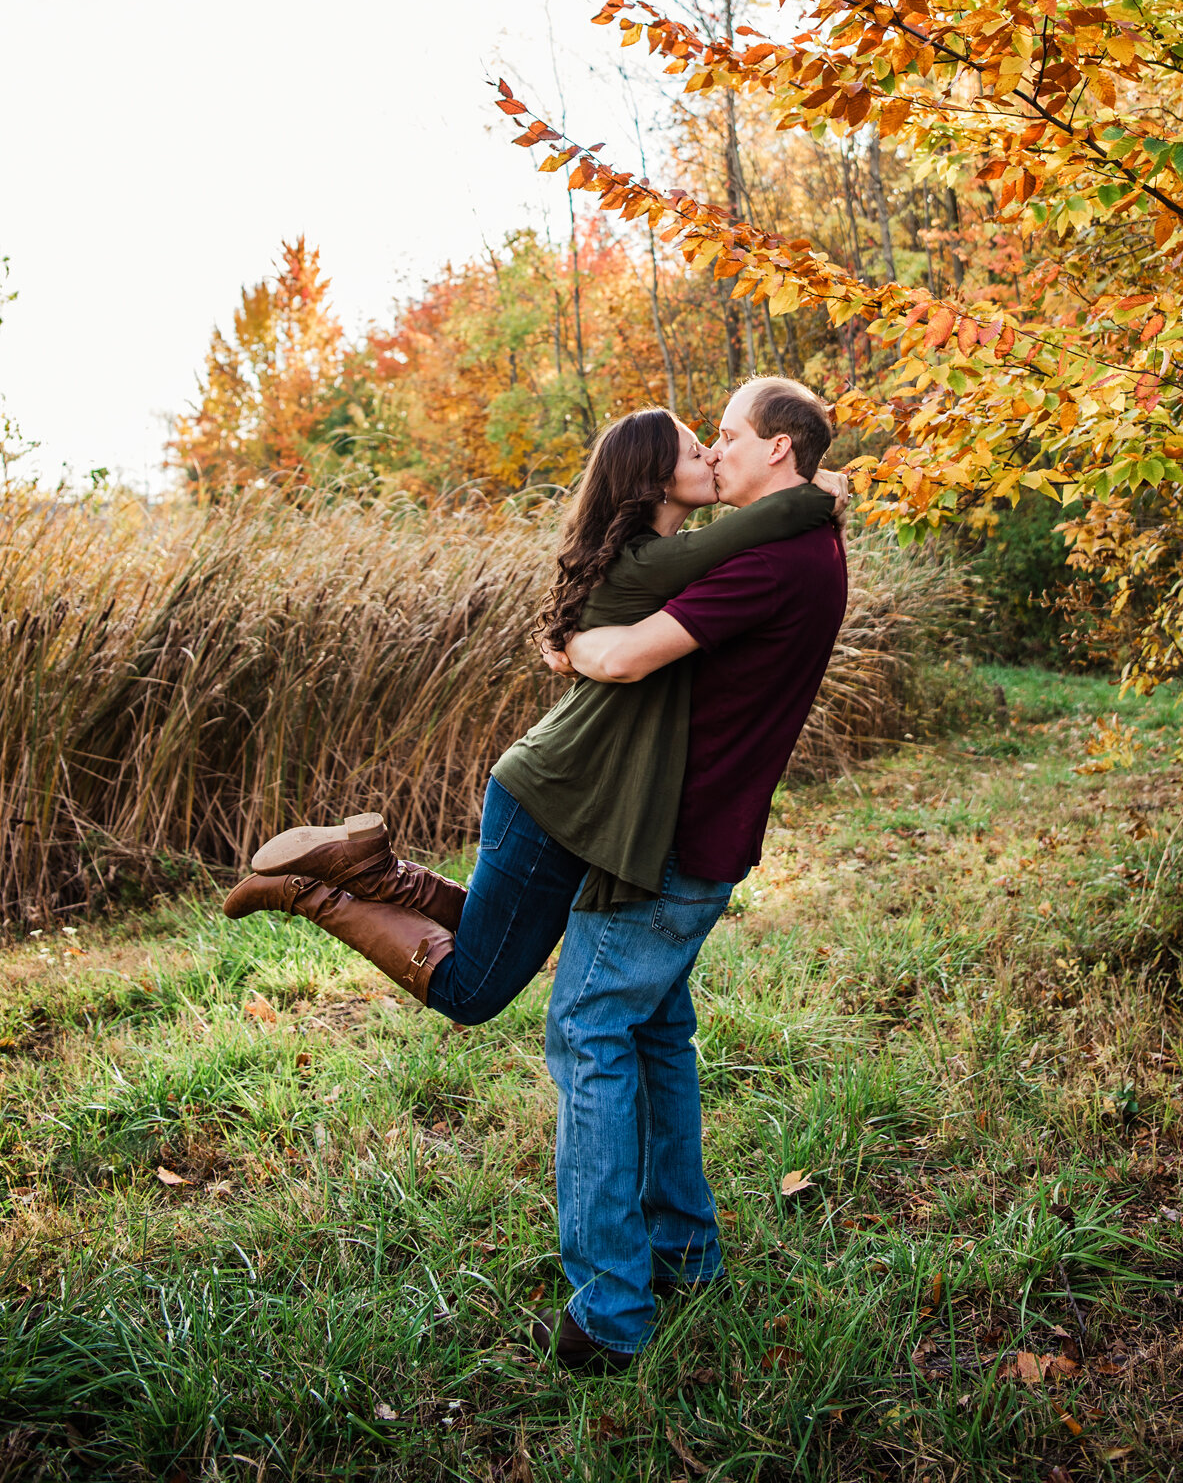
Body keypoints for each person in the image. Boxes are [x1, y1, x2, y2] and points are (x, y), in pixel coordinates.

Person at [220, 408, 844, 1040]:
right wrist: (818, 491)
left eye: (718, 443)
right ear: (654, 482)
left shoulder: (654, 559)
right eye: (694, 452)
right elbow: (774, 518)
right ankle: (308, 892)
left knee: (502, 939)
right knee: (472, 990)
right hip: (556, 786)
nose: (711, 456)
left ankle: (376, 873)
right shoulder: (655, 561)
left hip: (583, 790)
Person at [530, 376, 849, 1374]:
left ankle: (611, 1310)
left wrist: (571, 645)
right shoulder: (793, 542)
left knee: (586, 1027)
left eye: (727, 435)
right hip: (696, 831)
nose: (715, 452)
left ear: (778, 453)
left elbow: (624, 656)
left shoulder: (773, 562)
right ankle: (684, 1250)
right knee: (654, 1029)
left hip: (672, 838)